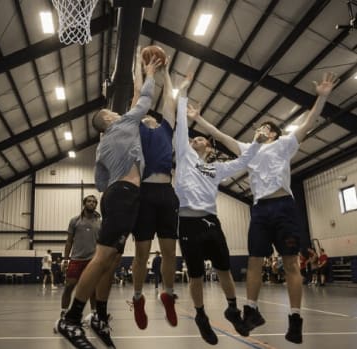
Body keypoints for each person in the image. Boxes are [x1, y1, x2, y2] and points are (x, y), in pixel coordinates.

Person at [187, 72, 338, 344]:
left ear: (273, 133)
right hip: (259, 210)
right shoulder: (249, 148)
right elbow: (219, 135)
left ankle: (295, 318)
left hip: (283, 206)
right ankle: (252, 311)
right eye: (259, 127)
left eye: (265, 127)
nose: (260, 128)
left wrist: (322, 97)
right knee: (254, 260)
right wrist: (198, 119)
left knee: (291, 263)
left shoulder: (284, 144)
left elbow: (308, 122)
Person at [56, 55, 161, 349]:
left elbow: (100, 182)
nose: (118, 113)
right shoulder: (124, 123)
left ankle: (99, 315)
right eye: (113, 113)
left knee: (112, 260)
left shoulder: (103, 147)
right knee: (103, 258)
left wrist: (136, 71)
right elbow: (145, 98)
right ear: (109, 119)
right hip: (125, 194)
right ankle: (72, 318)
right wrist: (149, 72)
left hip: (114, 194)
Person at [175, 83, 267, 344]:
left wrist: (257, 143)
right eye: (193, 139)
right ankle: (201, 316)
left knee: (224, 269)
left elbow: (243, 161)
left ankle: (232, 308)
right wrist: (182, 96)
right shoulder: (184, 156)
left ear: (209, 146)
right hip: (188, 222)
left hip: (211, 222)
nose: (195, 140)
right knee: (195, 275)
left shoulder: (217, 168)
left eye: (200, 139)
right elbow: (181, 129)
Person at [130, 50, 180, 329]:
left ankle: (168, 294)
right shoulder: (137, 127)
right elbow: (138, 94)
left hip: (166, 193)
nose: (150, 115)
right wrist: (141, 65)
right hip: (145, 194)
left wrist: (165, 73)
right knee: (141, 252)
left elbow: (171, 99)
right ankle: (138, 298)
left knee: (170, 251)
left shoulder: (166, 128)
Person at [57, 195, 101, 326]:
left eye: (94, 202)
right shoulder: (74, 221)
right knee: (69, 286)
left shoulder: (100, 222)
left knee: (93, 289)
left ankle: (94, 315)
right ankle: (64, 313)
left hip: (93, 260)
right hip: (76, 259)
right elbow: (69, 241)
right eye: (89, 201)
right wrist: (66, 259)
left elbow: (103, 242)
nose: (92, 203)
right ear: (84, 203)